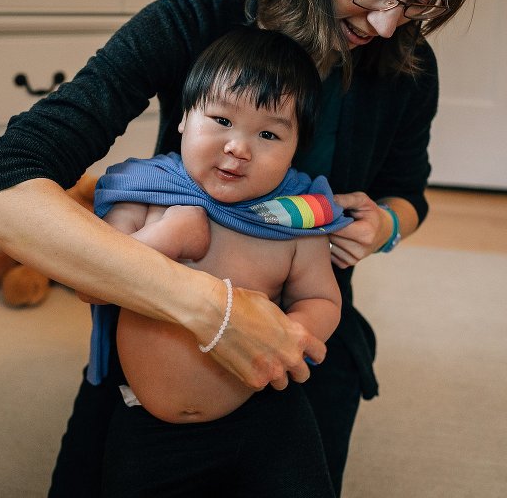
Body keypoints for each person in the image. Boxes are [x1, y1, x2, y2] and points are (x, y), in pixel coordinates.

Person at [0, 0, 475, 496]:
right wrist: (214, 311)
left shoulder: (407, 66)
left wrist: (385, 226)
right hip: (153, 325)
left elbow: (407, 193)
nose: (387, 24)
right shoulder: (199, 13)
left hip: (289, 350)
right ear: (188, 115)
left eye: (421, 1)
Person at [84, 26, 350, 496]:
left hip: (263, 413)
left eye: (268, 133)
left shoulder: (294, 219)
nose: (239, 147)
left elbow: (319, 296)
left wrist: (294, 333)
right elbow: (93, 279)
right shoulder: (146, 195)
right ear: (185, 117)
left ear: (295, 149)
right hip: (146, 422)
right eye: (222, 120)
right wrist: (166, 237)